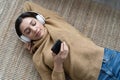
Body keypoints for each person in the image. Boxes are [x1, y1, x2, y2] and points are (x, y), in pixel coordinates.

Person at [15, 1, 120, 80]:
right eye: (28, 31)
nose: (34, 29)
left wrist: (25, 18)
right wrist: (58, 63)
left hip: (110, 58)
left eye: (33, 23)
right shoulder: (38, 57)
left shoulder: (52, 21)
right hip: (95, 78)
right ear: (25, 37)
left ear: (40, 19)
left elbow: (28, 4)